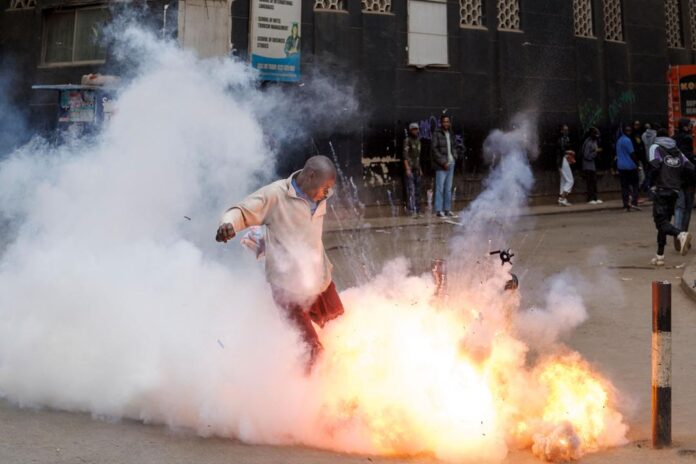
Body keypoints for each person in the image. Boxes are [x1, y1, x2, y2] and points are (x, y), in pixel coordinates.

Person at [215, 156, 344, 371]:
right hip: (288, 289)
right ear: (311, 176)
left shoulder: (321, 196)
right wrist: (228, 224)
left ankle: (342, 382)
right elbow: (240, 211)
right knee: (310, 351)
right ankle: (308, 397)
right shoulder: (275, 195)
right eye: (325, 188)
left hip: (320, 282)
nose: (327, 193)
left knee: (340, 330)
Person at [648, 137, 695, 265]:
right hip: (674, 192)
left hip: (662, 190)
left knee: (660, 222)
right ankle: (660, 255)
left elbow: (655, 165)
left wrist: (648, 184)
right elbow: (690, 168)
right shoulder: (678, 152)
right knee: (664, 223)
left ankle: (680, 235)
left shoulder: (655, 148)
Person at [430, 114, 459, 218]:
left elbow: (454, 146)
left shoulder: (450, 133)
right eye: (444, 122)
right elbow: (434, 150)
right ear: (441, 123)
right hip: (441, 165)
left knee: (448, 188)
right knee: (440, 188)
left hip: (451, 164)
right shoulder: (436, 134)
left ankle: (447, 209)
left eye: (448, 121)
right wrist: (443, 162)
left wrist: (454, 157)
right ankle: (439, 210)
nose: (446, 123)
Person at [673, 118, 695, 236]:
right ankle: (683, 234)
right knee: (687, 207)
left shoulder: (673, 139)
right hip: (688, 178)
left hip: (676, 177)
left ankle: (677, 233)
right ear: (686, 127)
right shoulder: (687, 138)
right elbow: (688, 158)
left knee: (679, 206)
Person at [616, 125, 641, 211]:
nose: (629, 132)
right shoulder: (628, 140)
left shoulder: (619, 141)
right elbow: (632, 153)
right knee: (635, 185)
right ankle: (634, 202)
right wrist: (637, 164)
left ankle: (625, 204)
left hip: (621, 166)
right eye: (628, 131)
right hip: (630, 166)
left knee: (624, 186)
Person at [403, 122, 423, 218]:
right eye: (414, 129)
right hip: (410, 169)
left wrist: (420, 169)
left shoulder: (418, 141)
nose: (416, 131)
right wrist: (407, 168)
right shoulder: (407, 141)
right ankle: (411, 211)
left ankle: (418, 210)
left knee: (418, 190)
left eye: (417, 129)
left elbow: (418, 157)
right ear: (410, 130)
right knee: (411, 190)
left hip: (417, 168)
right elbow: (405, 156)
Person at [582, 127, 603, 204]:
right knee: (590, 182)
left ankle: (595, 197)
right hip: (588, 165)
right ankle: (590, 199)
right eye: (595, 133)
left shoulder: (595, 141)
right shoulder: (588, 142)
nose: (597, 135)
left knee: (594, 182)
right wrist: (595, 153)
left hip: (592, 165)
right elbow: (586, 155)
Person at [557, 124, 575, 206]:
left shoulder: (565, 139)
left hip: (562, 161)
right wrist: (569, 152)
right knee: (570, 180)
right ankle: (562, 198)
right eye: (564, 130)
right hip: (562, 161)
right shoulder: (561, 140)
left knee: (564, 181)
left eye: (567, 130)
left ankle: (562, 198)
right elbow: (561, 150)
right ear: (561, 131)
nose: (566, 132)